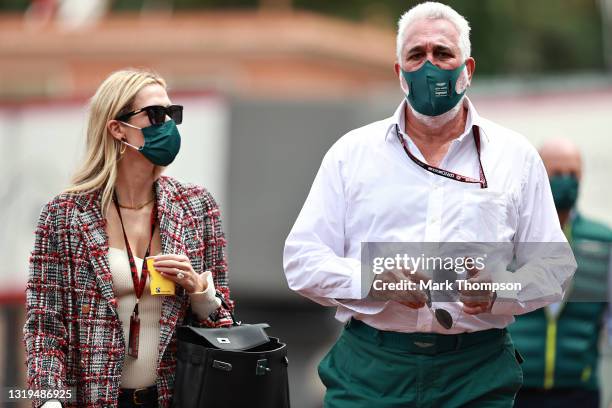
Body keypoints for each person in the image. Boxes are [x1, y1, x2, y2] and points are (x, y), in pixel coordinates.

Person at [283, 2, 576, 407]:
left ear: (467, 69)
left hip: (477, 370)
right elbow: (301, 260)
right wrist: (372, 281)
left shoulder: (515, 156)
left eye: (442, 54)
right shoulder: (351, 154)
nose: (429, 67)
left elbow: (557, 268)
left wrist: (501, 289)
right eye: (416, 56)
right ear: (399, 72)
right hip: (372, 368)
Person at [23, 69, 234, 408]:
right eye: (154, 114)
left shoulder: (197, 207)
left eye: (171, 114)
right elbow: (45, 327)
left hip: (171, 398)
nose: (167, 124)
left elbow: (224, 324)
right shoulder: (64, 216)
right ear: (117, 128)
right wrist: (49, 401)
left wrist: (199, 290)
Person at [510, 138, 612, 408]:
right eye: (556, 173)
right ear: (539, 176)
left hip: (579, 390)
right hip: (517, 390)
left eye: (573, 174)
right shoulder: (509, 237)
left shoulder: (603, 241)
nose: (566, 181)